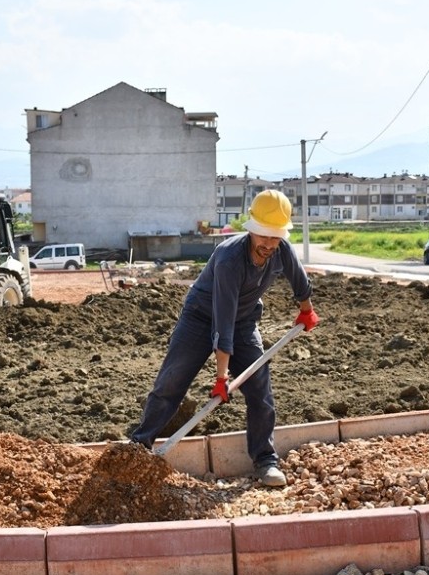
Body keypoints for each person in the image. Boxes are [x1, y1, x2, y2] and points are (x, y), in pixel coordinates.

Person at [129, 190, 318, 487]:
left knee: (260, 390)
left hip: (243, 321)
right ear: (252, 228)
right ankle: (138, 447)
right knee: (172, 381)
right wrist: (221, 377)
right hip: (200, 317)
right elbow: (222, 322)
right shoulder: (230, 258)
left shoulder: (280, 248)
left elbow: (300, 281)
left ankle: (265, 459)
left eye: (275, 237)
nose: (269, 244)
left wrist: (306, 311)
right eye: (264, 236)